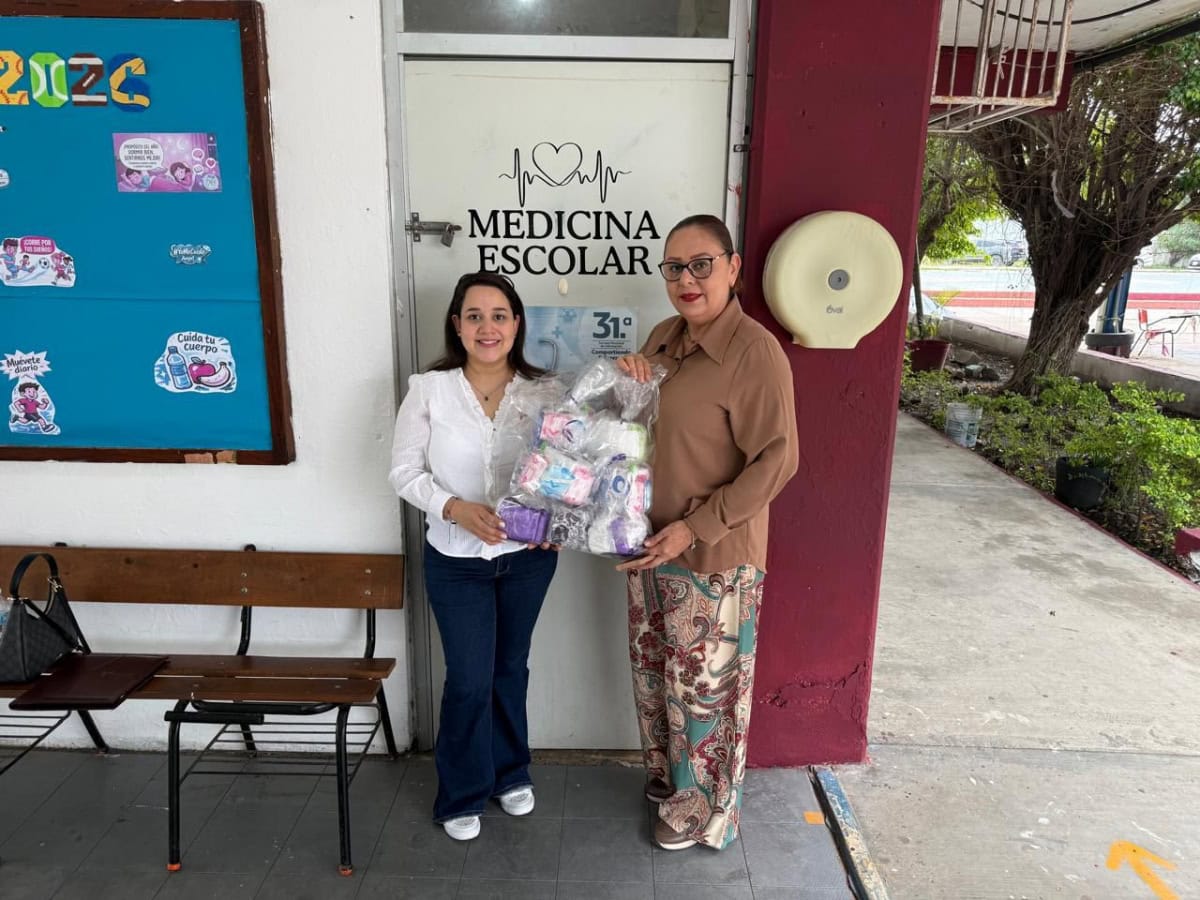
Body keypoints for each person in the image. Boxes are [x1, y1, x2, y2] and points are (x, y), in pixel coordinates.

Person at [616, 214, 799, 852]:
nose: (687, 280)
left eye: (701, 265)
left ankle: (702, 811)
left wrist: (694, 527)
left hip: (713, 553)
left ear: (733, 267)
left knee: (705, 691)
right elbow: (640, 429)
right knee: (656, 673)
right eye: (674, 268)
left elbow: (777, 460)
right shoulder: (663, 338)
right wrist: (625, 384)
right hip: (651, 543)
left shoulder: (754, 351)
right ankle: (671, 782)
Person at [388, 271, 558, 842]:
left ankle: (510, 772)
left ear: (517, 324)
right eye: (475, 316)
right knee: (467, 676)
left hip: (527, 559)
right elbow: (403, 471)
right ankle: (462, 791)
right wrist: (454, 508)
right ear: (457, 325)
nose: (488, 327)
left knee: (510, 667)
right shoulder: (429, 390)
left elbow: (567, 471)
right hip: (455, 559)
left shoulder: (544, 392)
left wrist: (558, 521)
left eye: (499, 315)